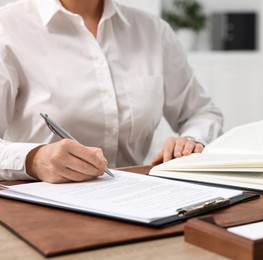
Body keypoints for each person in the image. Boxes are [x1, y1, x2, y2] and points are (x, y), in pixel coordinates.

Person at [0, 0, 223, 183]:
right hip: (42, 207)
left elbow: (201, 112)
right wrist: (33, 159)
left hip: (139, 199)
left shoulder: (153, 30)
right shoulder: (7, 27)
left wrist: (191, 140)